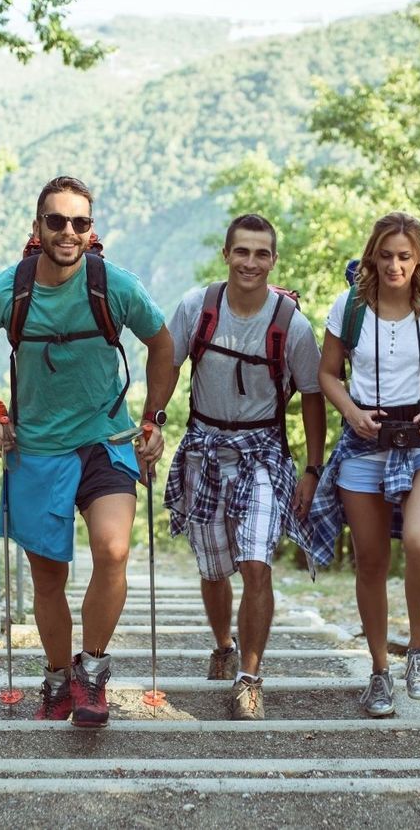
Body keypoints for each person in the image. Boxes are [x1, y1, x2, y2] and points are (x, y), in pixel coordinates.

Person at [0, 175, 174, 729]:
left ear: (91, 229)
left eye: (79, 222)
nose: (68, 232)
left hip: (105, 441)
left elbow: (163, 343)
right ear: (37, 228)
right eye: (57, 221)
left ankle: (92, 671)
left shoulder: (115, 286)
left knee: (114, 550)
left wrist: (153, 418)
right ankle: (56, 676)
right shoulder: (5, 293)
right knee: (48, 580)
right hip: (38, 449)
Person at [294, 211, 420, 718]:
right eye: (386, 254)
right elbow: (328, 374)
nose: (395, 265)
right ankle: (378, 672)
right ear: (372, 254)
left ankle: (418, 651)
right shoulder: (349, 307)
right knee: (370, 562)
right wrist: (351, 411)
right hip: (364, 443)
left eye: (405, 256)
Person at [148, 213, 326, 721]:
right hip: (204, 446)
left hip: (264, 451)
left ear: (273, 260)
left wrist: (312, 469)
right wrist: (152, 420)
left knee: (256, 563)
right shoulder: (196, 308)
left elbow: (313, 396)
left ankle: (250, 677)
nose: (251, 262)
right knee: (213, 567)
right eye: (242, 252)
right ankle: (222, 645)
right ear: (226, 255)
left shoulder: (292, 325)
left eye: (261, 253)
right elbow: (167, 360)